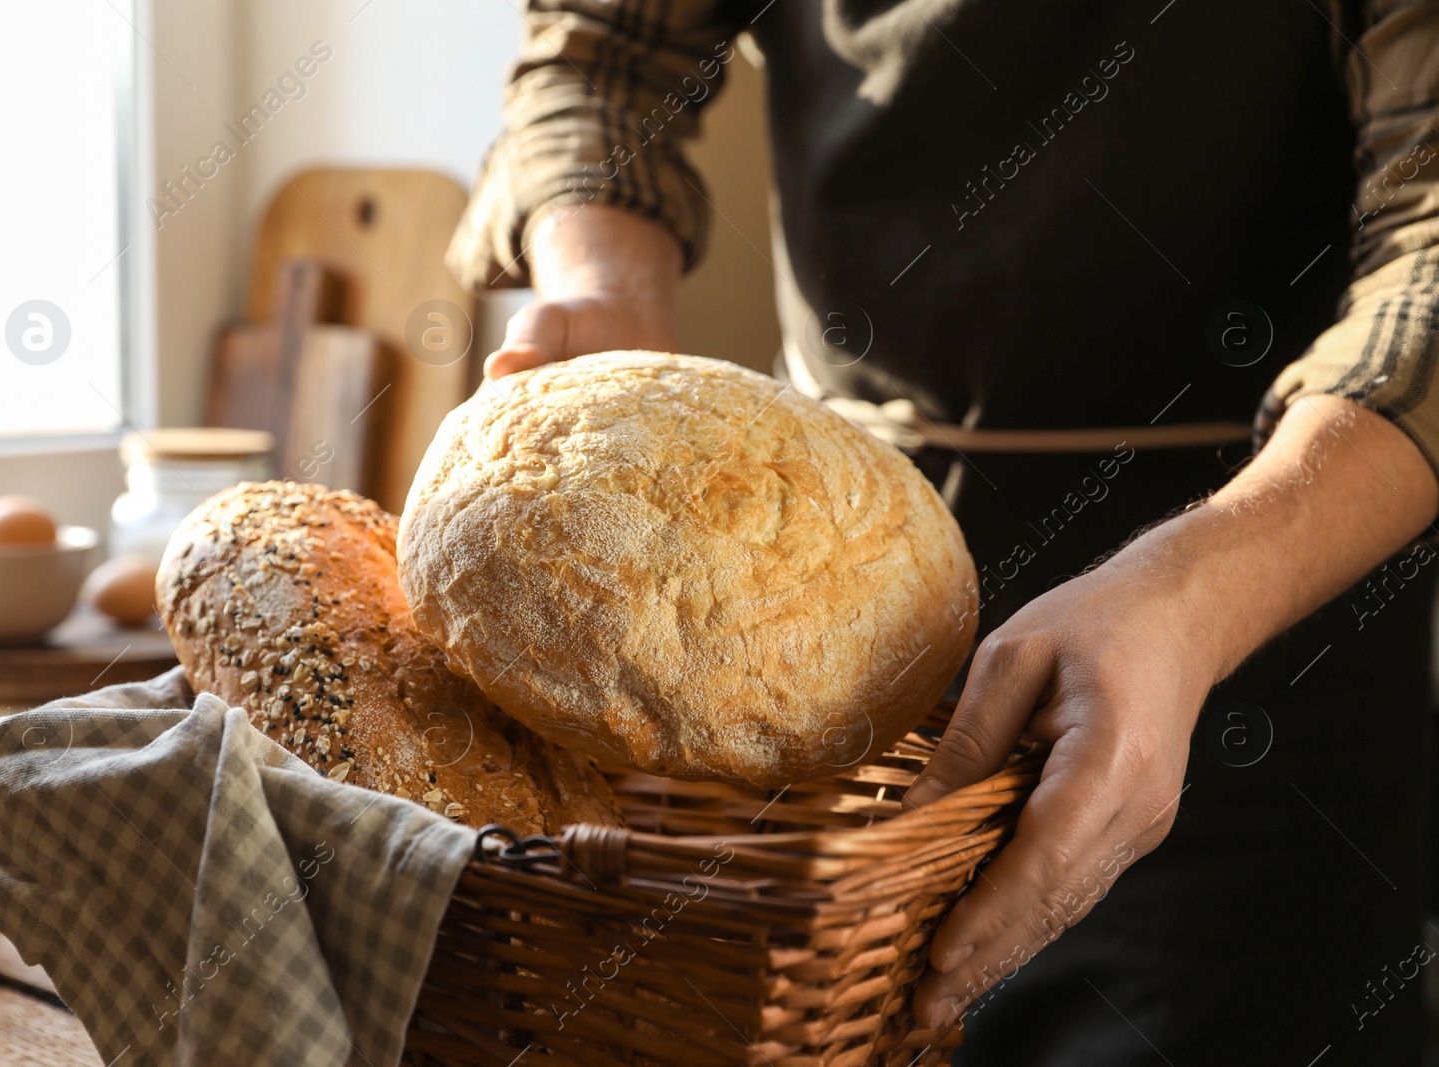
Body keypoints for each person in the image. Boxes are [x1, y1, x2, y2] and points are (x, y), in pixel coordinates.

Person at [447, 2, 1439, 1062]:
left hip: (1266, 592)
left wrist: (1196, 598)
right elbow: (605, 55)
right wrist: (607, 302)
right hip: (828, 614)